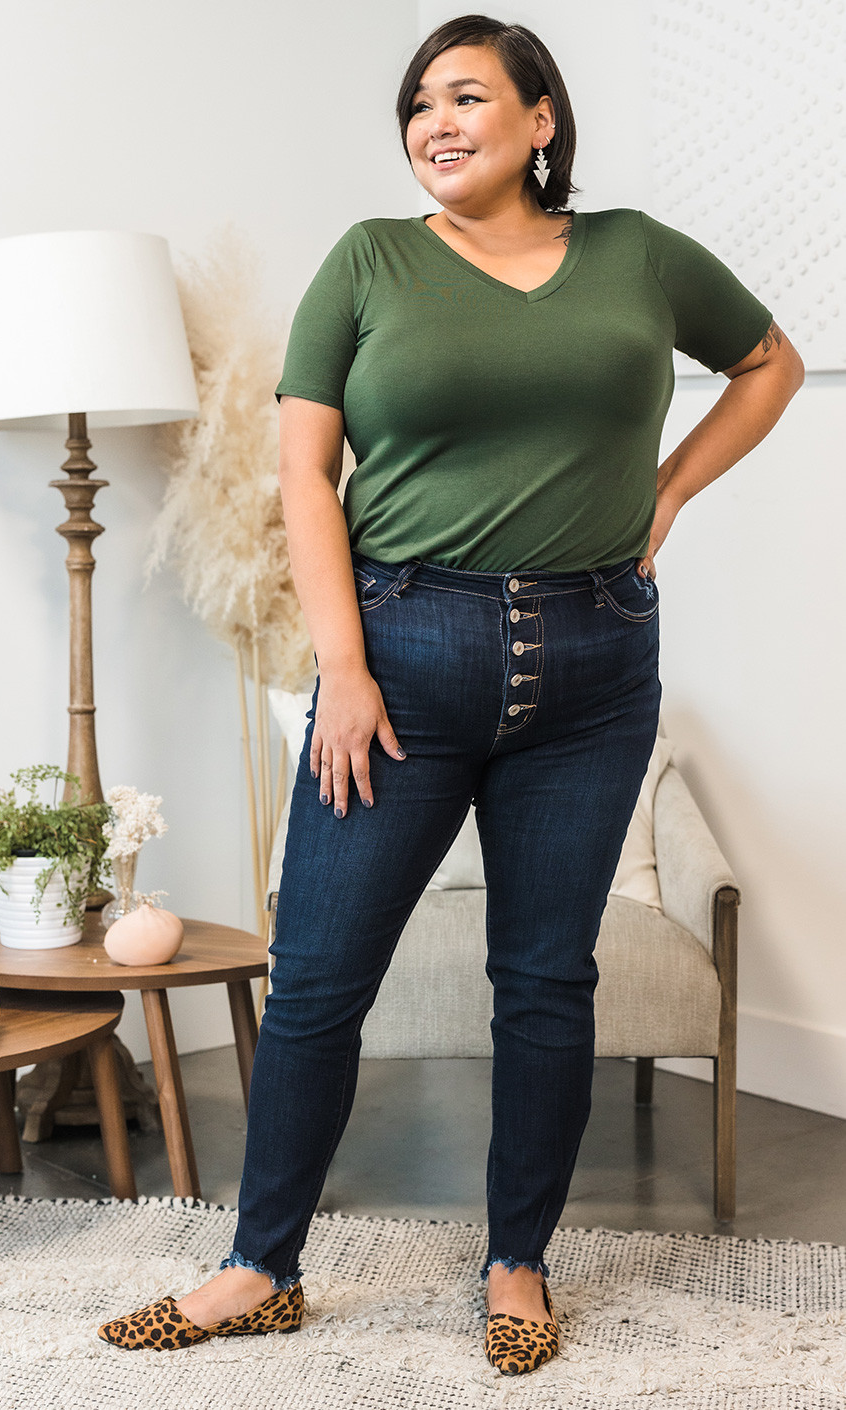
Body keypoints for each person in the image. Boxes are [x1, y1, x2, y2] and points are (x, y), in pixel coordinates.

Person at [99, 14, 803, 1374]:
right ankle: (259, 1265)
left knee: (545, 979)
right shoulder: (369, 261)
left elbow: (766, 362)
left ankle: (516, 1262)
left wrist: (665, 493)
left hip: (597, 663)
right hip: (402, 659)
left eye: (467, 96)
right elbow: (304, 476)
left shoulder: (639, 256)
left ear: (543, 120)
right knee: (318, 976)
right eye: (418, 103)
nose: (434, 122)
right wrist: (344, 669)